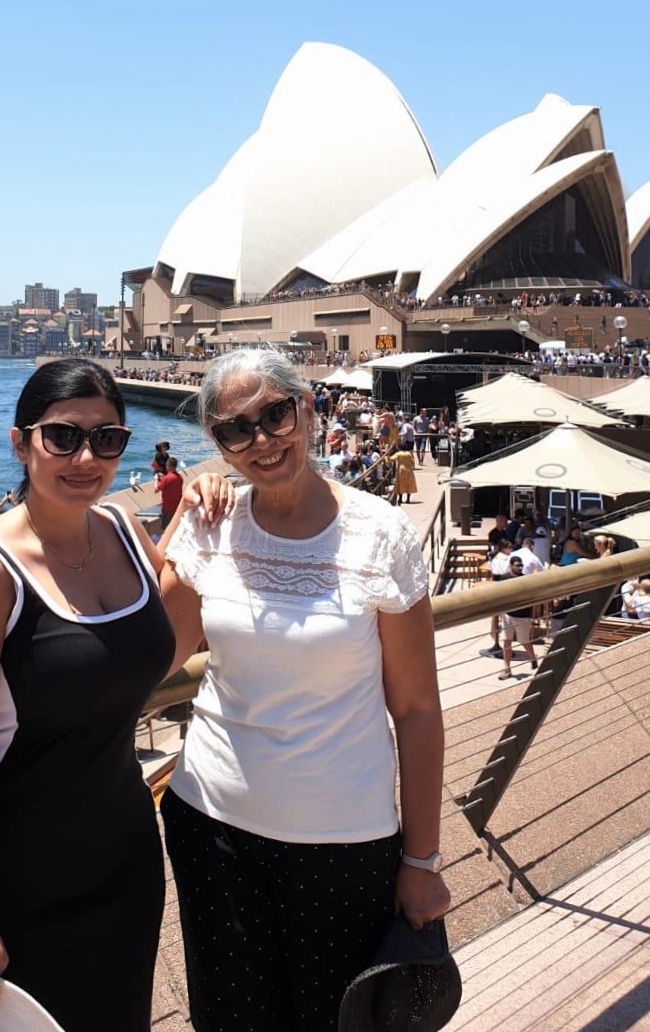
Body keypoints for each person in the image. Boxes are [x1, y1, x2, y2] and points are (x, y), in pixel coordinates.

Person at [0, 359, 230, 1030]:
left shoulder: (122, 529)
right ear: (20, 442)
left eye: (107, 439)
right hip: (12, 880)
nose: (86, 457)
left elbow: (160, 648)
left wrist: (203, 512)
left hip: (121, 858)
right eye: (62, 436)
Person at [159, 348, 450, 1032]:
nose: (263, 440)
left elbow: (415, 710)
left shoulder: (379, 533)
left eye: (276, 414)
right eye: (237, 429)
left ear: (308, 409)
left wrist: (422, 859)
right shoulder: (213, 526)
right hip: (212, 827)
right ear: (218, 444)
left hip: (346, 845)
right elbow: (152, 654)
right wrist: (178, 516)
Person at [499, 555, 539, 680]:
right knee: (506, 641)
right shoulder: (504, 578)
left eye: (521, 565)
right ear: (511, 566)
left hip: (522, 616)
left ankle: (532, 657)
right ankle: (506, 668)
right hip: (507, 614)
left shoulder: (525, 580)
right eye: (517, 565)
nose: (520, 567)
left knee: (523, 640)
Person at [155, 456, 185, 530]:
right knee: (176, 529)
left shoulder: (166, 478)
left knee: (165, 530)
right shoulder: (180, 477)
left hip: (167, 509)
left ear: (168, 466)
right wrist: (163, 478)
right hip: (177, 507)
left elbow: (156, 489)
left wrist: (156, 480)